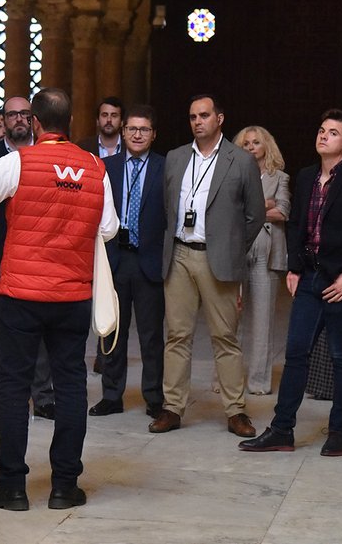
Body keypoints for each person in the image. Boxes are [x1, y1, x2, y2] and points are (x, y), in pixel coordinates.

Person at [0, 88, 119, 511]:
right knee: (72, 386)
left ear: (36, 124)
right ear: (71, 121)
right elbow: (110, 227)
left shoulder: (18, 161)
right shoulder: (95, 167)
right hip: (73, 294)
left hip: (22, 294)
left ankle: (12, 486)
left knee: (13, 386)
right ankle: (64, 486)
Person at [240, 109, 342, 458]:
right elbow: (295, 226)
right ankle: (281, 430)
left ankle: (338, 431)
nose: (323, 136)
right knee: (296, 353)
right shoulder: (305, 177)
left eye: (333, 132)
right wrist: (294, 267)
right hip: (309, 275)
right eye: (321, 130)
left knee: (340, 355)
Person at [150, 94, 265, 438]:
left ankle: (235, 411)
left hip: (218, 258)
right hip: (180, 255)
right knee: (177, 336)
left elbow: (255, 215)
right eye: (192, 117)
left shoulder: (240, 160)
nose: (197, 121)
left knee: (225, 338)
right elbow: (167, 208)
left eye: (204, 116)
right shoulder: (175, 158)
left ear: (219, 119)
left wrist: (230, 246)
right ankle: (172, 408)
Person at [0, 96, 55, 421]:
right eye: (12, 114)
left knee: (40, 328)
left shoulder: (46, 154)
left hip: (38, 255)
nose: (18, 119)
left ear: (34, 120)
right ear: (2, 120)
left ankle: (43, 397)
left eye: (24, 114)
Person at [90, 105, 168, 418]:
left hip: (148, 260)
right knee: (112, 331)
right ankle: (111, 395)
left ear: (153, 135)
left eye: (144, 129)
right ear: (123, 132)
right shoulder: (105, 166)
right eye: (132, 129)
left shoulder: (166, 168)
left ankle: (154, 396)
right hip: (115, 259)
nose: (137, 134)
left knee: (151, 335)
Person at [232, 125, 290, 396]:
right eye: (246, 143)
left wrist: (251, 209)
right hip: (235, 251)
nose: (251, 147)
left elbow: (283, 211)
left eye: (256, 142)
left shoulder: (280, 177)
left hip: (266, 254)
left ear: (267, 145)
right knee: (229, 317)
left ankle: (258, 381)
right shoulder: (232, 174)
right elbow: (226, 210)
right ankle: (226, 380)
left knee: (262, 321)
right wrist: (264, 205)